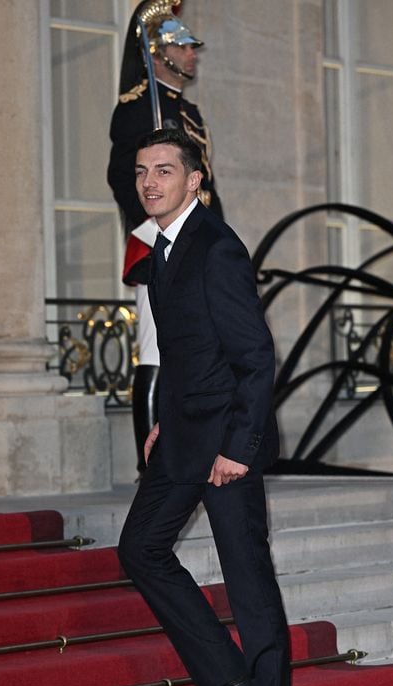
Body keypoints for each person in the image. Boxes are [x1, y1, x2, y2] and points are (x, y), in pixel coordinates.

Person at [117, 129, 298, 686]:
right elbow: (186, 354)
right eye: (142, 171)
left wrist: (240, 448)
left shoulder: (217, 249)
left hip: (225, 449)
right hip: (184, 435)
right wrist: (164, 420)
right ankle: (227, 678)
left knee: (250, 590)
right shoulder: (163, 248)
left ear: (196, 180)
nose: (149, 182)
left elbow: (254, 356)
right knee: (139, 548)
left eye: (165, 171)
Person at [108, 0, 222, 477]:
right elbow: (124, 179)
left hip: (197, 245)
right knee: (156, 349)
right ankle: (150, 466)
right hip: (160, 245)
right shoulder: (137, 108)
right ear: (157, 52)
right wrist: (162, 229)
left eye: (192, 46)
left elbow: (207, 185)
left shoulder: (187, 110)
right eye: (182, 45)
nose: (192, 53)